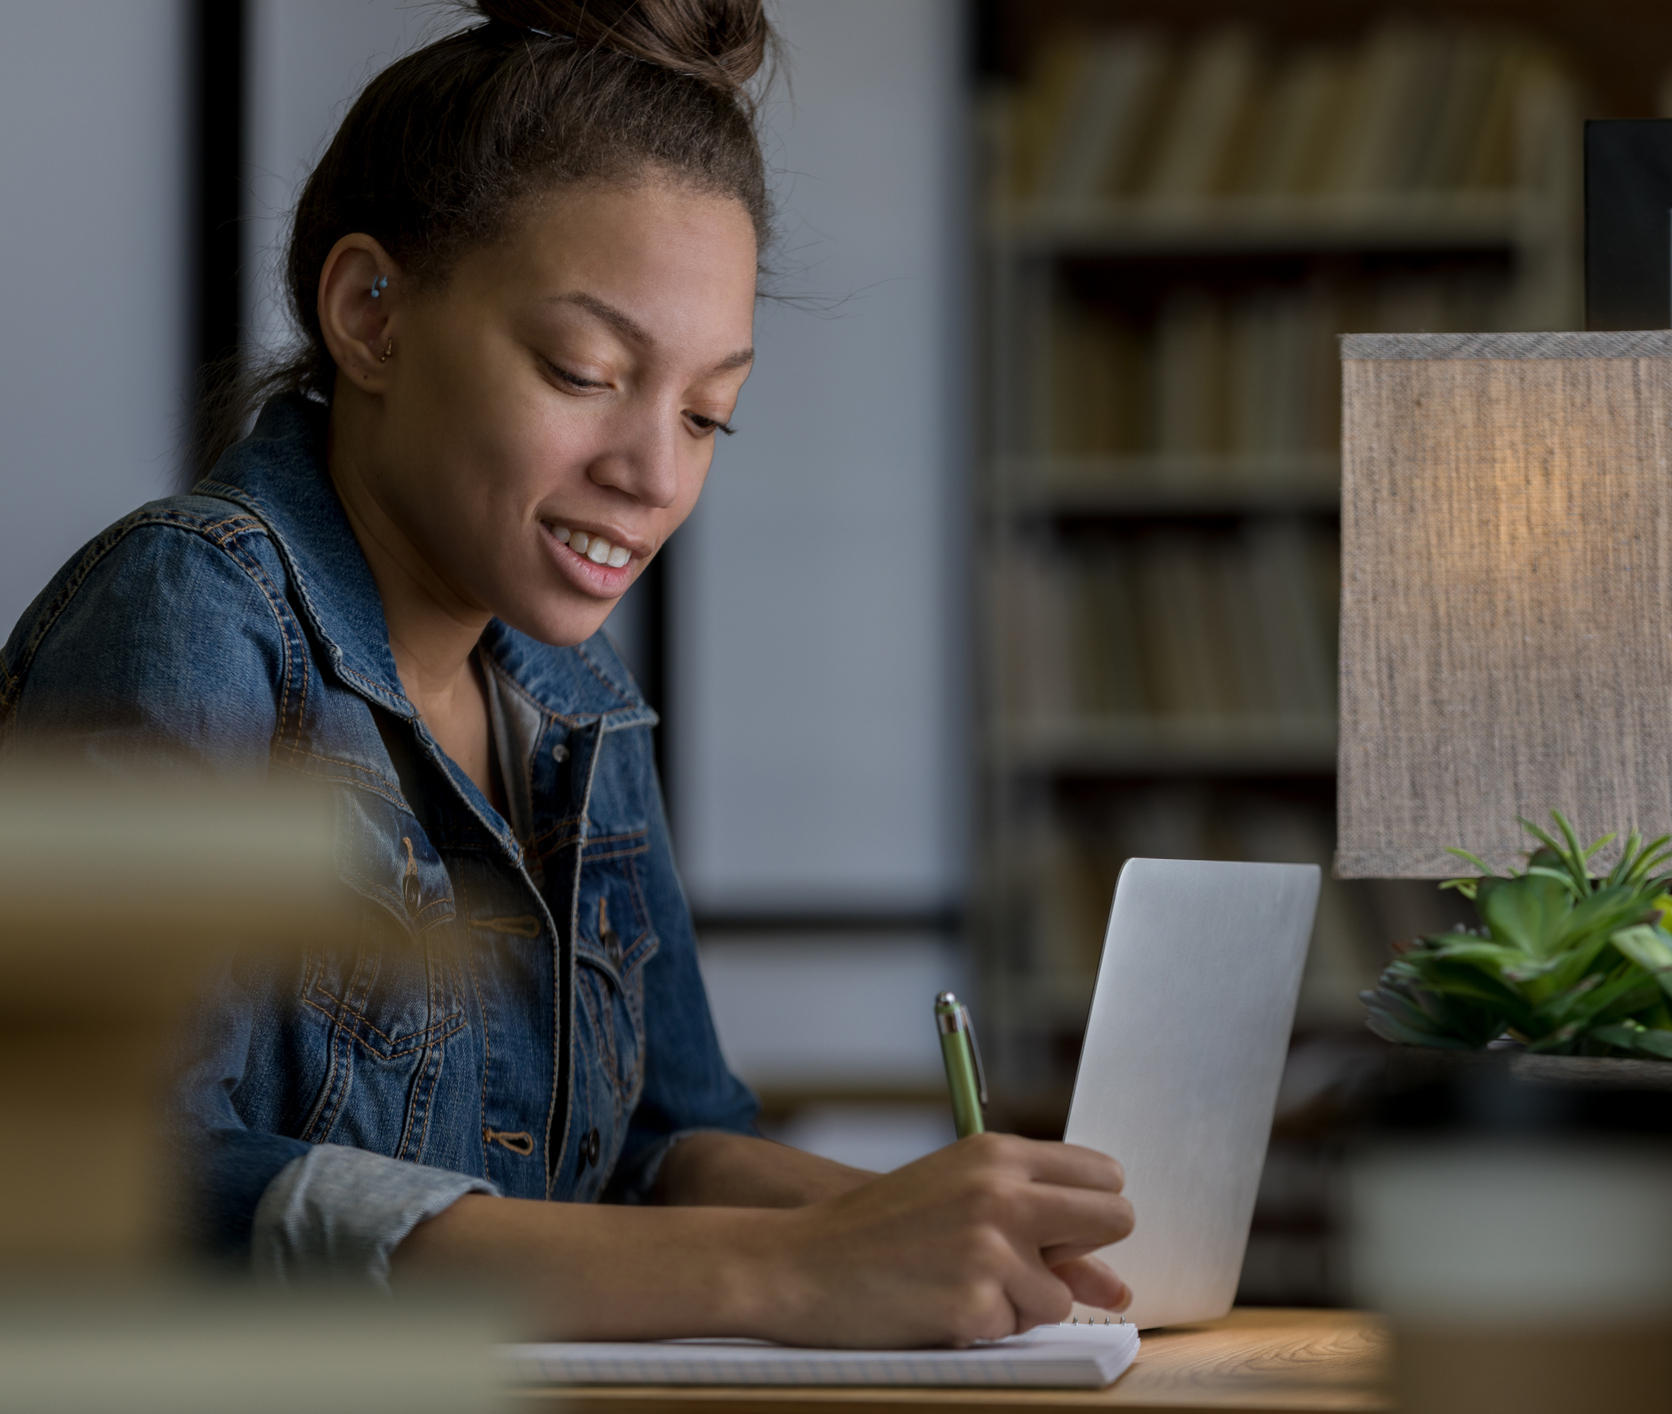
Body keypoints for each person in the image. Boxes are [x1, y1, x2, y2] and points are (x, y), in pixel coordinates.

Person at [0, 0, 1131, 1346]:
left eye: (709, 412)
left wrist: (941, 1223)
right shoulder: (182, 612)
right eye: (583, 370)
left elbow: (666, 1142)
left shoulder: (573, 693)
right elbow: (110, 1181)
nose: (655, 474)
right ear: (370, 312)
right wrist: (784, 1271)